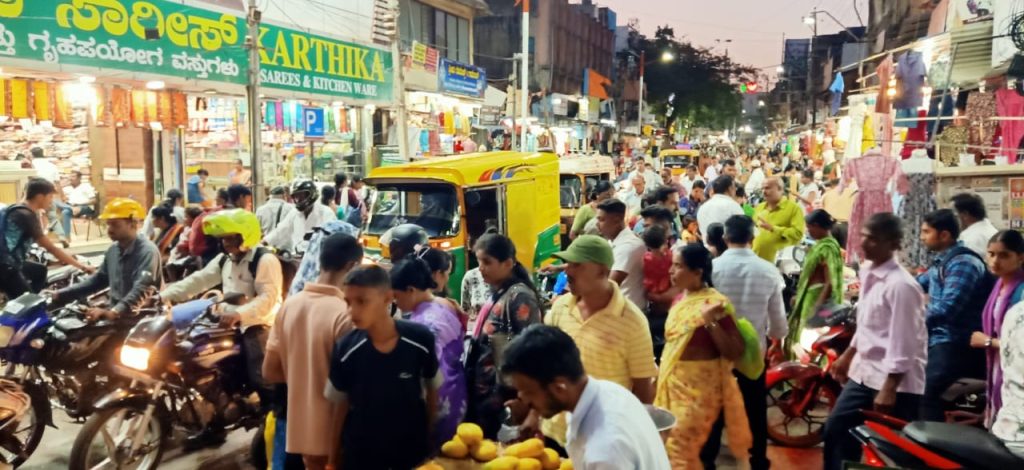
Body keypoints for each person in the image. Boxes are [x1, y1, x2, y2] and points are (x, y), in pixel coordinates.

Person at [160, 209, 282, 448]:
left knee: (261, 376)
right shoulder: (225, 259)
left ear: (245, 235)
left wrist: (240, 314)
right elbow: (199, 280)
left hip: (258, 323)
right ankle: (216, 424)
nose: (225, 243)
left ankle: (273, 423)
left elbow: (269, 298)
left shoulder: (265, 260)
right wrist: (164, 296)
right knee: (198, 361)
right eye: (223, 238)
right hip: (226, 320)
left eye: (230, 238)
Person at [825, 213, 927, 470]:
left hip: (895, 381)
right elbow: (868, 325)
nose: (864, 243)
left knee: (894, 450)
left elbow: (904, 341)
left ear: (892, 244)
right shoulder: (869, 271)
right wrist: (848, 356)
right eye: (863, 236)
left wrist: (890, 386)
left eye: (873, 239)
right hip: (865, 372)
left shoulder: (901, 286)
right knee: (837, 430)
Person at [540, 235, 658, 448]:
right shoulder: (561, 307)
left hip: (601, 436)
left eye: (577, 265)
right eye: (568, 264)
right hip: (556, 431)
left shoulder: (631, 320)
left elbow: (643, 387)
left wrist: (635, 435)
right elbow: (545, 364)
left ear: (602, 272)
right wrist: (535, 414)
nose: (568, 271)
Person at [502, 325, 671, 470]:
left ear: (559, 388)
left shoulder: (605, 450)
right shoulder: (609, 391)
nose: (522, 398)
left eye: (528, 392)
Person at [262, 233, 361, 470]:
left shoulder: (289, 305)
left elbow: (270, 371)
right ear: (351, 266)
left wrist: (303, 376)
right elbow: (353, 384)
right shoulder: (345, 315)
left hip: (301, 435)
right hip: (337, 436)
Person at [325, 265, 438, 469]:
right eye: (348, 302)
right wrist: (332, 459)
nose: (352, 311)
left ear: (387, 298)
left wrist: (429, 436)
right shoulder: (346, 349)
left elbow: (433, 390)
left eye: (362, 301)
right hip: (362, 453)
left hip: (410, 450)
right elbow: (339, 407)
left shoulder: (420, 339)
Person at [701, 215, 787, 469]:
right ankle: (758, 458)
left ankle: (707, 460)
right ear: (753, 238)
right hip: (752, 354)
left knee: (714, 410)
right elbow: (778, 320)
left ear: (725, 238)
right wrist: (776, 342)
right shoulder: (769, 271)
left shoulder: (712, 269)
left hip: (716, 350)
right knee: (754, 409)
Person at [656, 243, 750, 467]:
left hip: (700, 395)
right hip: (673, 385)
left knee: (693, 453)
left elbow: (735, 351)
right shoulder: (680, 299)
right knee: (670, 451)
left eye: (677, 266)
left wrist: (710, 322)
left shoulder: (716, 304)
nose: (671, 271)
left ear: (697, 272)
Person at [465, 234, 543, 437]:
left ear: (508, 263)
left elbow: (531, 351)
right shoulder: (499, 291)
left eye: (487, 262)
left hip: (502, 397)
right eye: (479, 261)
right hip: (486, 392)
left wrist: (524, 399)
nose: (480, 268)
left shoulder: (519, 296)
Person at [917, 208, 990, 421]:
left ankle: (929, 446)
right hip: (938, 337)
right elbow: (915, 286)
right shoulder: (942, 261)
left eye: (926, 232)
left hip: (956, 341)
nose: (922, 237)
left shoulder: (963, 263)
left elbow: (948, 308)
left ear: (944, 235)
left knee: (926, 390)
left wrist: (913, 319)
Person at [390, 257, 466, 447]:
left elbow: (430, 376)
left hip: (439, 400)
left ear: (411, 291)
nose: (395, 303)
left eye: (396, 296)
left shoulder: (423, 325)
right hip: (458, 390)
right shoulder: (445, 304)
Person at [51, 198, 161, 320]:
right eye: (108, 224)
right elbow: (99, 280)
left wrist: (114, 312)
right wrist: (62, 294)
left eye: (115, 225)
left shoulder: (147, 251)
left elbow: (142, 289)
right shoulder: (113, 250)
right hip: (117, 314)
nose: (109, 229)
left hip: (142, 318)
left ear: (133, 224)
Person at [0, 178, 94, 299]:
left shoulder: (14, 208)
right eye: (50, 197)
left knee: (39, 271)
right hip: (6, 267)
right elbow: (50, 247)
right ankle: (25, 301)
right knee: (28, 306)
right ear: (40, 197)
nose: (52, 201)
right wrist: (82, 266)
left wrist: (64, 256)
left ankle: (25, 295)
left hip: (8, 261)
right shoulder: (26, 215)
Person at [970, 230, 1024, 428]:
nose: (995, 261)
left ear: (1020, 258)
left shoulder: (1021, 292)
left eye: (1004, 255)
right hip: (997, 364)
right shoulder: (998, 286)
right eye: (991, 254)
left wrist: (987, 342)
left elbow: (1020, 346)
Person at [787, 209, 845, 357]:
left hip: (816, 297)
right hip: (809, 295)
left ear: (819, 226)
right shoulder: (822, 245)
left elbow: (830, 281)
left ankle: (809, 370)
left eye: (810, 227)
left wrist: (817, 305)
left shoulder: (828, 248)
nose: (808, 230)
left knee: (810, 338)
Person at [597, 199, 646, 309]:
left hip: (626, 313)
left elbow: (609, 287)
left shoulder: (629, 246)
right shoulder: (613, 241)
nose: (597, 224)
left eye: (602, 220)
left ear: (617, 219)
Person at [265, 179, 336, 253]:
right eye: (296, 197)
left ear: (312, 194)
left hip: (318, 258)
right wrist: (264, 241)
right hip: (297, 258)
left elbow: (332, 238)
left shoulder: (326, 213)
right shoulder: (294, 213)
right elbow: (280, 230)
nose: (299, 200)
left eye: (302, 196)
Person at [752, 176, 806, 263]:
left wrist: (773, 228)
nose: (763, 192)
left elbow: (798, 234)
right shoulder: (759, 207)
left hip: (779, 264)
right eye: (762, 189)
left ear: (780, 189)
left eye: (767, 188)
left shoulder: (793, 209)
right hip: (756, 261)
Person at [696, 175, 744, 243]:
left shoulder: (702, 208)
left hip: (708, 250)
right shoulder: (732, 206)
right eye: (734, 187)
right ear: (730, 188)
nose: (735, 190)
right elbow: (744, 230)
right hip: (728, 250)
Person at [952, 193, 999, 257]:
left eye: (955, 215)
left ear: (965, 214)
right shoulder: (989, 229)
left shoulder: (971, 240)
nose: (952, 219)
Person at [56, 170, 97, 241]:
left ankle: (66, 237)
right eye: (70, 176)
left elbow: (93, 200)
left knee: (65, 212)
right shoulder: (68, 188)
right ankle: (59, 235)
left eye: (73, 176)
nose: (71, 178)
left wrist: (79, 204)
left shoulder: (86, 186)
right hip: (71, 207)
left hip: (85, 207)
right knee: (56, 206)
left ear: (79, 178)